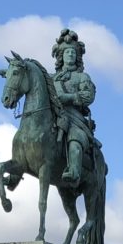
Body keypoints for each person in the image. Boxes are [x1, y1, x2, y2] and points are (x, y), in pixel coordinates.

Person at [51, 29, 97, 186]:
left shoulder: (82, 77)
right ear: (61, 56)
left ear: (76, 56)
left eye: (72, 52)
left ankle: (74, 171)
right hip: (54, 117)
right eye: (66, 52)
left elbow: (88, 96)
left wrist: (68, 98)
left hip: (75, 120)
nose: (70, 54)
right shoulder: (51, 78)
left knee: (74, 138)